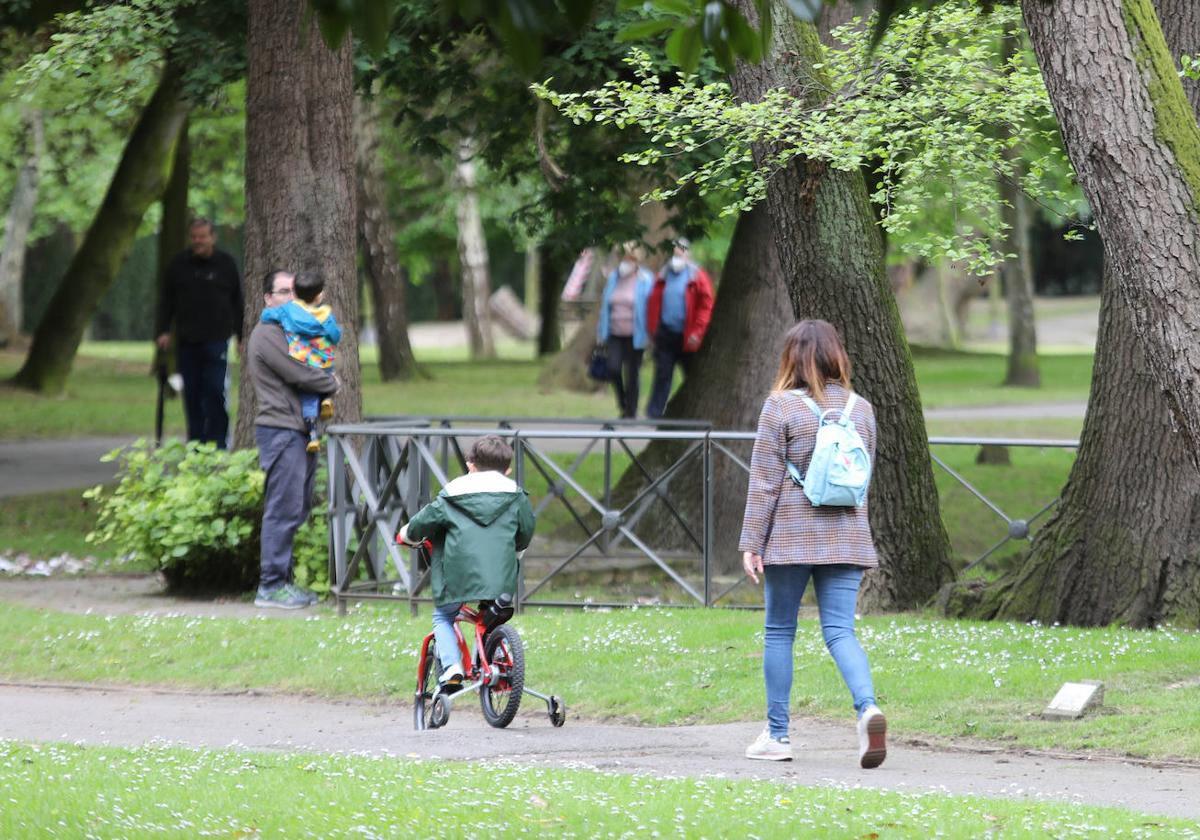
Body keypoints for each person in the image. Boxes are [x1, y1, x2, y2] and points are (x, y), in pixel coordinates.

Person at [738, 319, 887, 768]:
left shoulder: (779, 407)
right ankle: (868, 708)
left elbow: (764, 482)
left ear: (791, 358)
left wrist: (752, 542)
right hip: (847, 537)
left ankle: (778, 736)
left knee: (780, 631)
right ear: (836, 355)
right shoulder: (862, 409)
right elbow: (863, 478)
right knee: (841, 630)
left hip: (789, 537)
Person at [398, 435, 535, 691]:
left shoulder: (450, 496)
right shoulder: (517, 497)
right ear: (507, 470)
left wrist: (405, 535)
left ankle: (452, 668)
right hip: (501, 579)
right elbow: (526, 531)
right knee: (491, 614)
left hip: (456, 577)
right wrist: (515, 555)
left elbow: (420, 525)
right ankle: (491, 663)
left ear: (470, 464)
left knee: (443, 616)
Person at [246, 270, 338, 609]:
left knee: (296, 507)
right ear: (268, 299)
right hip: (280, 430)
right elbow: (298, 373)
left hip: (300, 430)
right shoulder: (267, 334)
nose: (290, 297)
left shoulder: (295, 332)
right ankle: (270, 586)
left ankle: (283, 582)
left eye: (293, 291)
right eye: (283, 292)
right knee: (282, 508)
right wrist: (331, 383)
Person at [155, 218, 244, 449]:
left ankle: (219, 441)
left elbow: (238, 302)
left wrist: (240, 335)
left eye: (202, 236)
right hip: (187, 341)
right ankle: (196, 443)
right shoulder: (178, 265)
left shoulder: (226, 264)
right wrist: (163, 330)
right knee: (192, 394)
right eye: (194, 237)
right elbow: (166, 301)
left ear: (212, 237)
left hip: (217, 340)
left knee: (215, 390)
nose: (198, 241)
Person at [260, 271, 340, 453]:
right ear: (320, 295)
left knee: (308, 398)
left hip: (303, 358)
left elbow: (268, 316)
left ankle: (312, 434)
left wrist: (265, 315)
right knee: (328, 372)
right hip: (324, 360)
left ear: (295, 293)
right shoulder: (325, 314)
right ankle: (327, 398)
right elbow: (334, 335)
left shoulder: (288, 312)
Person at [645, 237, 714, 419]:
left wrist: (697, 332)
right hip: (666, 334)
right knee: (663, 374)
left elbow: (706, 306)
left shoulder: (697, 276)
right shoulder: (664, 275)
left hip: (688, 336)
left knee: (692, 376)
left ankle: (697, 412)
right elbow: (653, 304)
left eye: (682, 250)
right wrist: (653, 329)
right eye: (675, 250)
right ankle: (654, 414)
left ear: (688, 253)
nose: (678, 253)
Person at [596, 243, 654, 419]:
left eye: (629, 258)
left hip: (636, 335)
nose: (625, 261)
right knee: (613, 368)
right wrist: (601, 331)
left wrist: (651, 334)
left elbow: (650, 308)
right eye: (624, 257)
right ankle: (622, 401)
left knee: (632, 372)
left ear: (636, 260)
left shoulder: (646, 279)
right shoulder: (614, 278)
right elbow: (605, 306)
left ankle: (630, 411)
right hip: (614, 333)